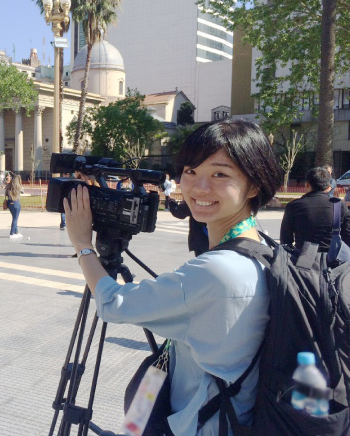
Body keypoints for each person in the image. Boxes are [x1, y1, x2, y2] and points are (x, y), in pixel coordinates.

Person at [64, 119, 282, 435]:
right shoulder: (264, 245)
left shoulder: (217, 272)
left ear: (254, 185)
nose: (199, 187)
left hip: (199, 424)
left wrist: (83, 245)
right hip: (227, 410)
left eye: (220, 174)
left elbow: (112, 303)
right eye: (191, 171)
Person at [280, 166, 350, 252]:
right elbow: (347, 237)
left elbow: (285, 241)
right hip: (333, 258)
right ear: (328, 187)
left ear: (307, 184)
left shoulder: (293, 206)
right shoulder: (339, 207)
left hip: (303, 257)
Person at [4, 172, 22, 239]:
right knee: (15, 218)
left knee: (14, 217)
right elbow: (22, 191)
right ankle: (12, 233)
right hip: (16, 203)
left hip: (9, 203)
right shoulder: (18, 186)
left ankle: (16, 232)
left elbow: (6, 193)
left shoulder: (9, 186)